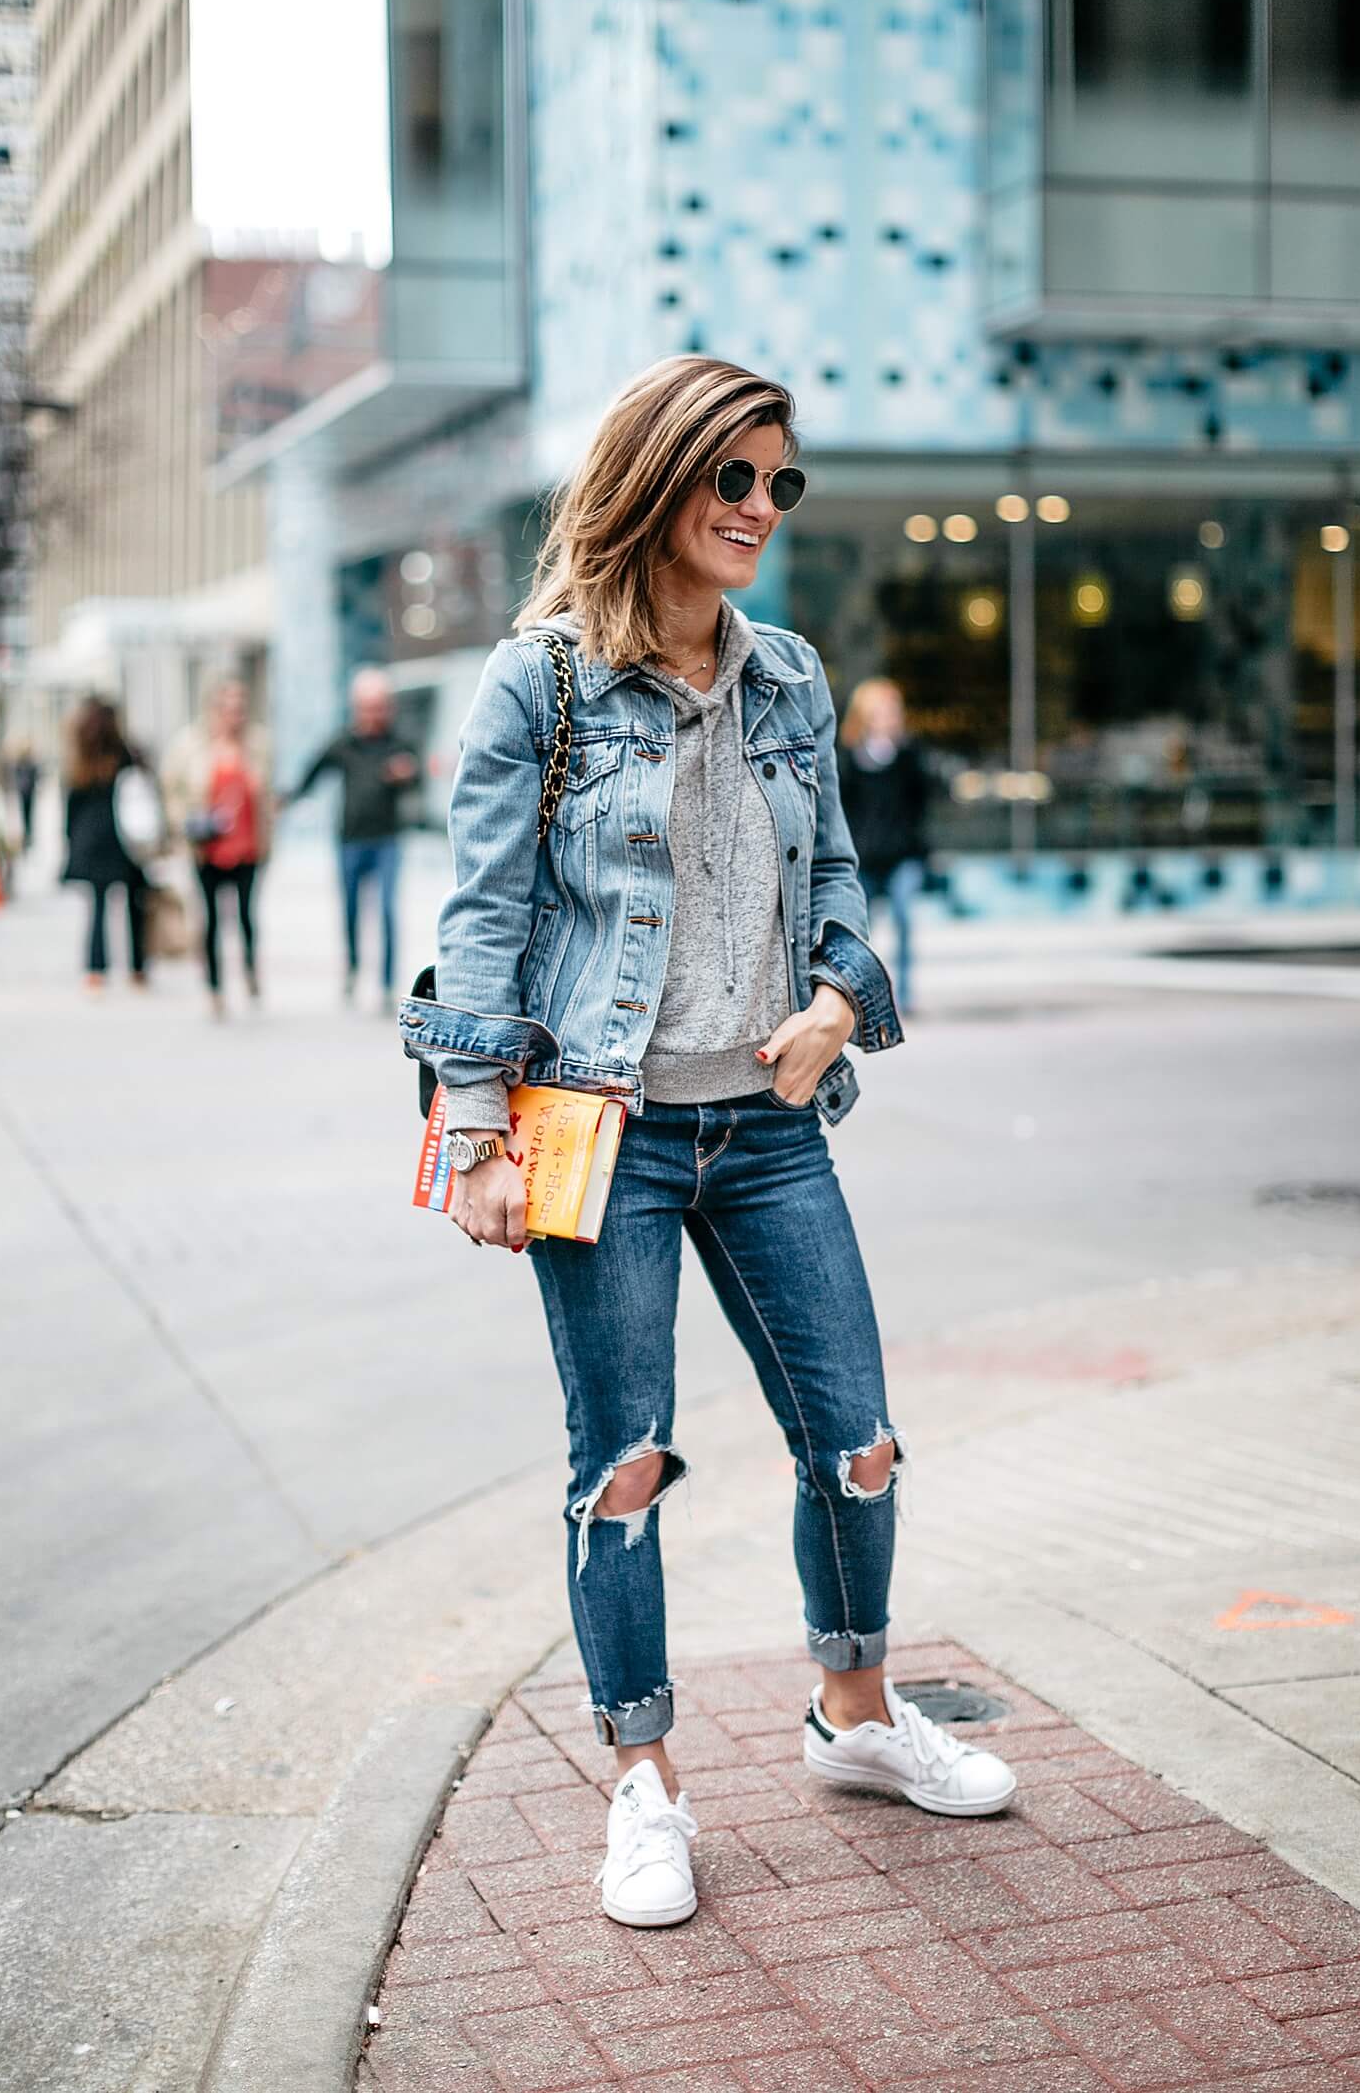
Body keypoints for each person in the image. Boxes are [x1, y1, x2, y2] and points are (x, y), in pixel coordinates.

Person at [403, 356, 1016, 1933]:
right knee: (624, 1465)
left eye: (779, 483)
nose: (759, 508)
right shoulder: (539, 682)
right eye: (731, 479)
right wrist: (473, 1130)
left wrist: (834, 1003)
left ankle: (857, 1711)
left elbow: (839, 886)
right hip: (604, 1129)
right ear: (655, 482)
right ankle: (646, 1785)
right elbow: (485, 914)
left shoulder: (790, 677)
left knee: (859, 1434)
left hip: (770, 1124)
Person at [285, 670, 416, 1006]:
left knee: (387, 910)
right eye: (367, 707)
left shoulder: (399, 743)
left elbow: (417, 781)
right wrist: (288, 798)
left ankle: (386, 982)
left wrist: (406, 775)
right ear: (356, 708)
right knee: (351, 911)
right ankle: (354, 968)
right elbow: (314, 771)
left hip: (387, 839)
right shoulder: (344, 743)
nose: (373, 714)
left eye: (379, 707)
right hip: (351, 840)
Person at [162, 678, 273, 1017]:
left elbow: (266, 795)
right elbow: (172, 789)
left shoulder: (258, 744)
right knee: (209, 919)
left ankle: (250, 971)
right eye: (227, 708)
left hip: (247, 846)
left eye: (240, 708)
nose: (234, 715)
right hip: (206, 847)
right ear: (213, 710)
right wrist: (184, 822)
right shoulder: (191, 746)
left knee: (245, 916)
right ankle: (214, 987)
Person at [837, 678, 932, 1014]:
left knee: (904, 916)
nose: (887, 717)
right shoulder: (848, 757)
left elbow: (923, 800)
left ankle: (905, 995)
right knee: (861, 929)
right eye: (879, 710)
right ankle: (863, 995)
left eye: (892, 711)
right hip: (862, 858)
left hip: (902, 856)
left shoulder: (909, 754)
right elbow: (840, 808)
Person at [61, 697, 152, 991]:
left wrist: (70, 840)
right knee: (133, 904)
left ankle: (96, 969)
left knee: (98, 906)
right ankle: (137, 967)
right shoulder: (124, 753)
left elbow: (71, 805)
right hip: (124, 838)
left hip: (92, 840)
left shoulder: (80, 757)